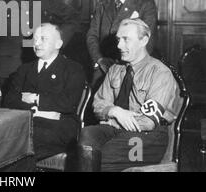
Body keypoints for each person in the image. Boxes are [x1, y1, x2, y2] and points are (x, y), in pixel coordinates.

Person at [77, 18, 180, 172]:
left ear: (144, 40)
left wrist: (113, 121)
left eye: (126, 40)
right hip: (116, 131)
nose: (119, 46)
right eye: (119, 39)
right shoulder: (115, 69)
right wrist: (114, 111)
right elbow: (98, 104)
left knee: (95, 159)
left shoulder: (160, 73)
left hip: (146, 138)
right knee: (87, 136)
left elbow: (148, 121)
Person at [3, 22, 86, 160]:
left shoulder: (73, 69)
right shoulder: (24, 69)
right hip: (28, 122)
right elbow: (10, 100)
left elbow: (68, 103)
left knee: (22, 145)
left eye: (43, 39)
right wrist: (37, 111)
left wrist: (35, 98)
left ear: (58, 44)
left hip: (58, 127)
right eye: (35, 39)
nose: (37, 43)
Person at [87, 0, 157, 87]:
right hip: (103, 69)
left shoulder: (145, 4)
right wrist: (100, 59)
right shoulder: (102, 4)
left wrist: (124, 66)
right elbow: (92, 35)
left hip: (131, 69)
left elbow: (147, 42)